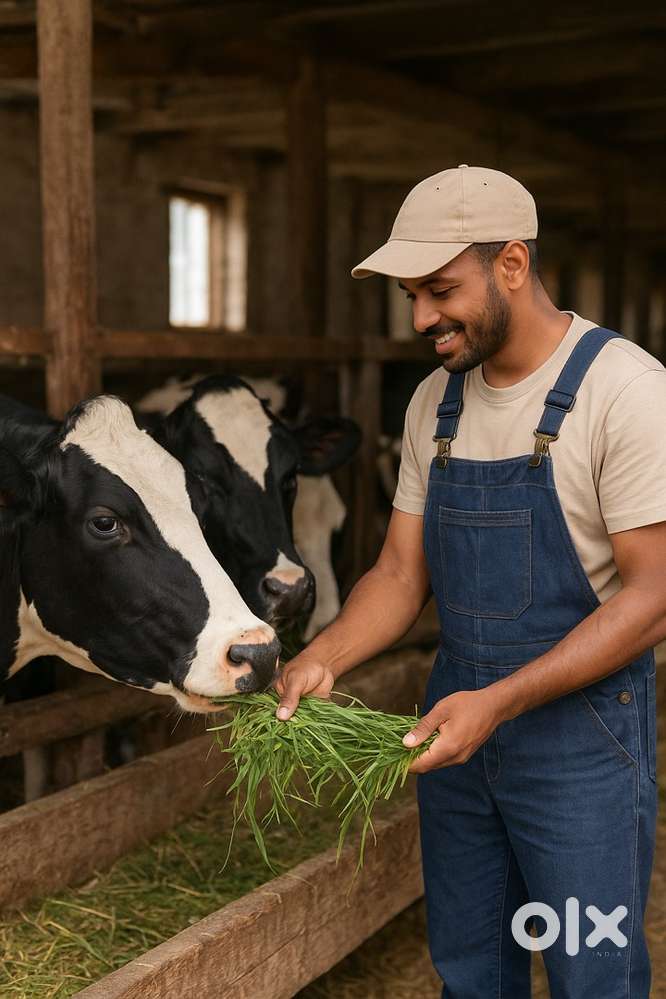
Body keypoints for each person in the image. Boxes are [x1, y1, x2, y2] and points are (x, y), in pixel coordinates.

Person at [275, 165, 665, 998]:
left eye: (440, 291)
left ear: (513, 266)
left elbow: (653, 596)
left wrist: (500, 703)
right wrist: (325, 656)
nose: (421, 318)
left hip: (579, 748)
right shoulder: (433, 405)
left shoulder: (625, 391)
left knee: (590, 974)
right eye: (413, 295)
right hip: (454, 733)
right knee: (471, 970)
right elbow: (397, 571)